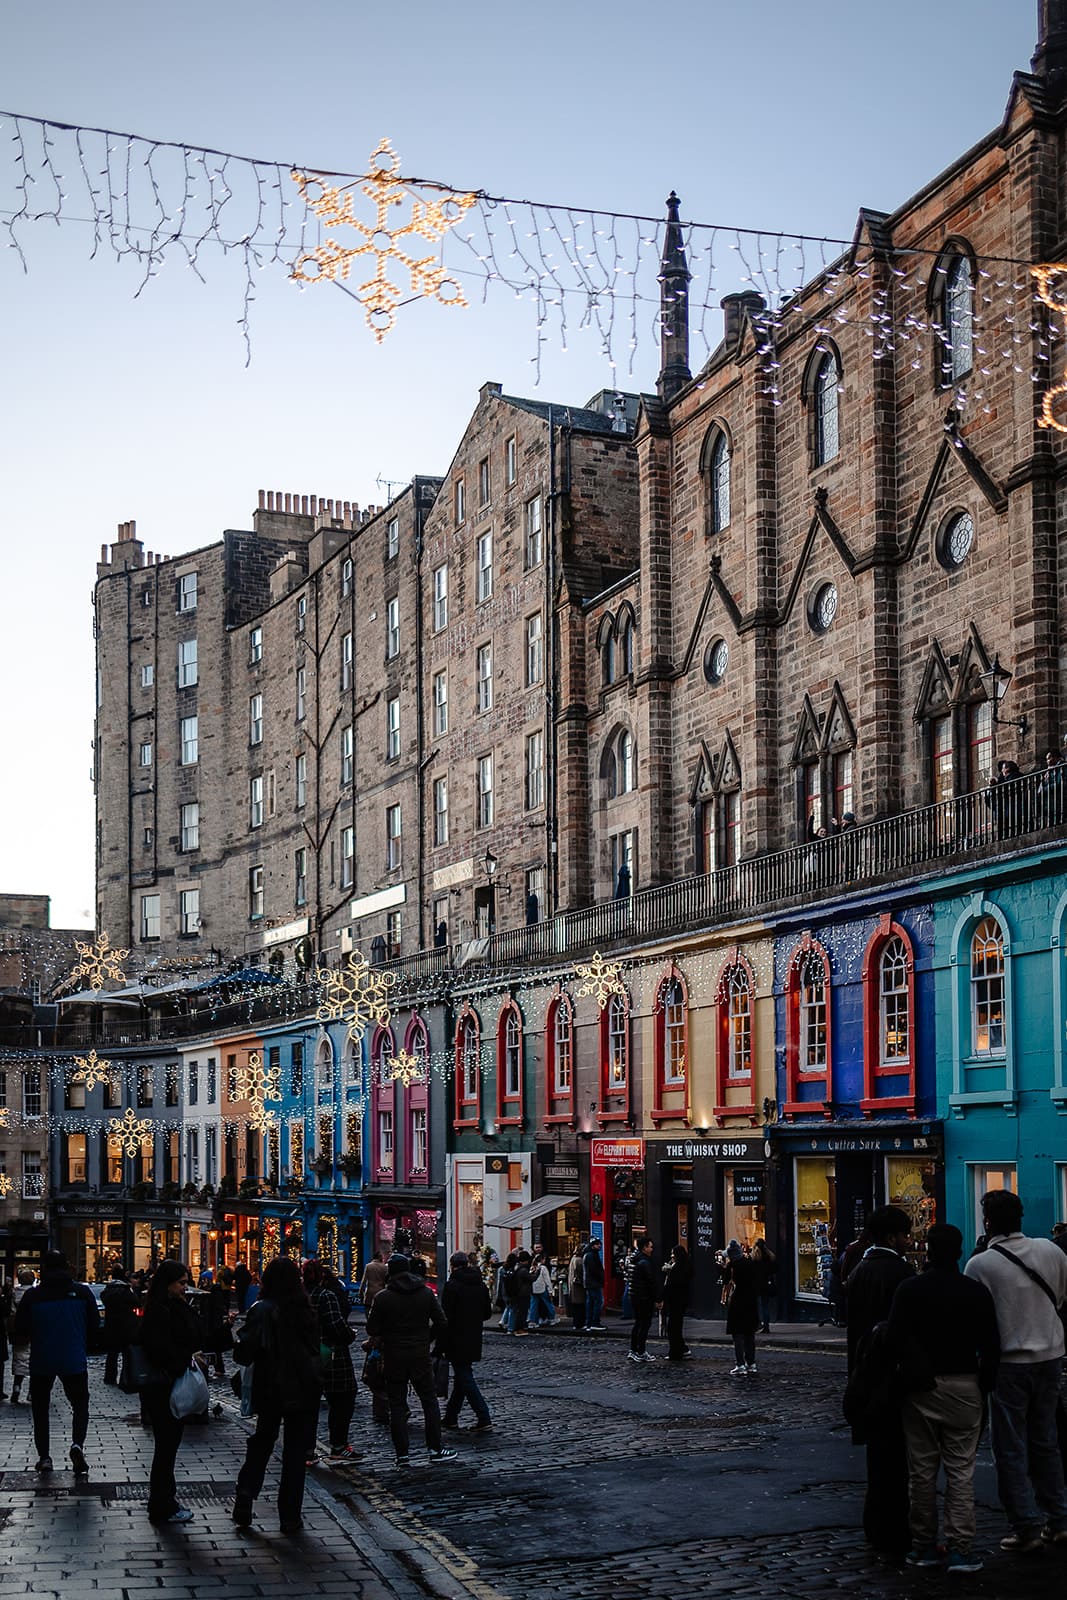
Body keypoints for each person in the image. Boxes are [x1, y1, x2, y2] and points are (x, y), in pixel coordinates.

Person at [886, 1223, 1000, 1574]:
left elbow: (893, 1341)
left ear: (929, 1251)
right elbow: (992, 1346)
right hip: (965, 1384)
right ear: (960, 1251)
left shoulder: (909, 1290)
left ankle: (923, 1547)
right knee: (961, 1472)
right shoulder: (975, 1292)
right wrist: (984, 1388)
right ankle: (960, 1549)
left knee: (921, 1473)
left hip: (921, 1388)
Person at [965, 1187, 1067, 1553]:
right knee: (1046, 1441)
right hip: (1051, 1354)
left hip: (1009, 1362)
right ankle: (1058, 1520)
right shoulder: (1051, 1250)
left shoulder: (979, 1265)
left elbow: (975, 1319)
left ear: (988, 1221)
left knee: (1009, 1447)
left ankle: (1025, 1526)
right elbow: (1061, 1297)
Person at [233, 1256, 323, 1536]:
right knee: (295, 1455)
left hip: (271, 1387)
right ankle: (290, 1518)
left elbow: (244, 1353)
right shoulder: (305, 1310)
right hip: (305, 1389)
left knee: (262, 1442)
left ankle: (245, 1498)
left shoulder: (262, 1309)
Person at [844, 1205, 915, 1558]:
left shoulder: (859, 1272)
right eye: (905, 1234)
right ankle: (895, 1529)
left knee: (877, 1459)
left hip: (864, 1377)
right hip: (893, 1378)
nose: (908, 1240)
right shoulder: (901, 1273)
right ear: (891, 1237)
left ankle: (875, 1524)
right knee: (898, 1461)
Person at [12, 1248, 100, 1476]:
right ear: (67, 1266)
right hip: (73, 1358)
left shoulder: (33, 1296)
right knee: (80, 1405)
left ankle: (45, 1457)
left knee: (40, 1410)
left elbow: (19, 1329)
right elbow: (94, 1325)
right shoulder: (81, 1293)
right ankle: (77, 1445)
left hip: (42, 1359)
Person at [366, 1254, 457, 1469]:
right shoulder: (425, 1293)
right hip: (419, 1355)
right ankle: (435, 1449)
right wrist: (427, 1338)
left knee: (396, 1404)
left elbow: (372, 1328)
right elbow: (442, 1322)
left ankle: (402, 1454)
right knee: (429, 1401)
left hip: (394, 1356)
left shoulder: (383, 1297)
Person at [139, 1260, 204, 1525]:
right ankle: (162, 1505)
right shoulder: (159, 1311)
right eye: (181, 1283)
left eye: (186, 1283)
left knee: (168, 1447)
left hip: (166, 1386)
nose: (185, 1288)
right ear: (167, 1283)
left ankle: (165, 1501)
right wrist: (186, 1359)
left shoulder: (173, 1307)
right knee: (166, 1448)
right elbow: (160, 1350)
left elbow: (197, 1335)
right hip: (162, 1388)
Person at [303, 1259, 359, 1462]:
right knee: (343, 1399)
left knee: (308, 1405)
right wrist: (350, 1335)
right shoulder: (326, 1296)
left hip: (303, 1357)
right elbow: (337, 1325)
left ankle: (307, 1450)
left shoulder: (296, 1297)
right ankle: (339, 1445)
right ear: (321, 1276)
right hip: (331, 1355)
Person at [440, 1251, 493, 1431]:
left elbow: (445, 1316)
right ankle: (450, 1417)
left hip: (455, 1337)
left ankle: (483, 1417)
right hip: (473, 1335)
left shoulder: (452, 1285)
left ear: (452, 1265)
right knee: (462, 1376)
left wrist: (437, 1341)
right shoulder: (480, 1285)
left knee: (464, 1376)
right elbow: (487, 1313)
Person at [722, 1240, 760, 1376]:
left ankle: (740, 1364)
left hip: (737, 1302)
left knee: (738, 1335)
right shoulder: (750, 1263)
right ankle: (752, 1363)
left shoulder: (732, 1266)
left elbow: (726, 1281)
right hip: (751, 1302)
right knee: (750, 1334)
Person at [100, 1267, 137, 1386]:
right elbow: (136, 1302)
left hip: (111, 1325)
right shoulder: (125, 1290)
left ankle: (109, 1378)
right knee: (127, 1354)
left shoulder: (108, 1290)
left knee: (112, 1354)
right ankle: (125, 1379)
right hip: (126, 1325)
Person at [627, 1236, 661, 1364]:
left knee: (638, 1323)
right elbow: (651, 1282)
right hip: (643, 1297)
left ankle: (633, 1350)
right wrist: (657, 1299)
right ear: (645, 1248)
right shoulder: (645, 1262)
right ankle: (640, 1351)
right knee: (644, 1324)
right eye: (650, 1247)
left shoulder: (635, 1260)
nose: (652, 1249)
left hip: (635, 1295)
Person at [9, 1267, 36, 1404]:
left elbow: (12, 1313)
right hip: (33, 1332)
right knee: (34, 1363)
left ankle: (16, 1388)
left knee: (19, 1361)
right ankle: (32, 1392)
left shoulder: (15, 1293)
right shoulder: (35, 1294)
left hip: (19, 1332)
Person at [661, 1245, 692, 1360]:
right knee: (675, 1327)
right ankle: (682, 1349)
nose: (671, 1256)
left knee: (673, 1327)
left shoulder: (678, 1268)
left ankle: (675, 1352)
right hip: (680, 1301)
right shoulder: (684, 1265)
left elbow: (671, 1285)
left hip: (676, 1301)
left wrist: (670, 1271)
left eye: (673, 1253)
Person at [752, 1237, 777, 1333]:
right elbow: (775, 1269)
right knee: (765, 1306)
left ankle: (758, 1324)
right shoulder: (770, 1256)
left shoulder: (755, 1257)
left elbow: (751, 1271)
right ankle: (766, 1326)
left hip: (757, 1285)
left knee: (756, 1306)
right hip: (767, 1284)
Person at [582, 1238, 605, 1331]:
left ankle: (589, 1323)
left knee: (590, 1303)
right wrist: (600, 1278)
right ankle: (595, 1322)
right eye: (597, 1244)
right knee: (597, 1302)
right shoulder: (592, 1255)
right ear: (592, 1245)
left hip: (590, 1283)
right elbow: (594, 1270)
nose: (599, 1246)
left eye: (599, 1244)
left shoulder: (589, 1254)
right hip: (593, 1283)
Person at [529, 1254, 556, 1328]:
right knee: (548, 1303)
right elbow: (547, 1280)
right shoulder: (543, 1268)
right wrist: (550, 1290)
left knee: (533, 1305)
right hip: (542, 1288)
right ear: (542, 1260)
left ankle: (533, 1321)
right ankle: (552, 1318)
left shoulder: (532, 1267)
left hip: (534, 1289)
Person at [509, 1251, 533, 1337]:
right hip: (522, 1293)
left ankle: (516, 1328)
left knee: (518, 1311)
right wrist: (537, 1272)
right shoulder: (523, 1270)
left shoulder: (518, 1268)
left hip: (518, 1293)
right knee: (522, 1312)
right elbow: (531, 1278)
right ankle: (519, 1329)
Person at [566, 1244, 586, 1332]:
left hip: (573, 1286)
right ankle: (579, 1324)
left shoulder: (573, 1259)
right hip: (578, 1287)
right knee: (580, 1306)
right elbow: (582, 1274)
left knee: (576, 1306)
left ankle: (576, 1323)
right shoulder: (579, 1261)